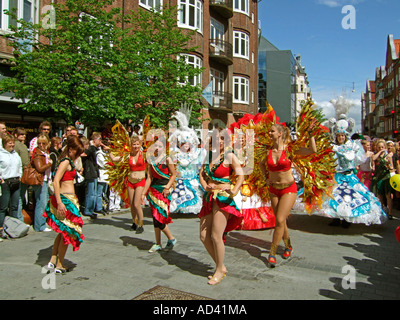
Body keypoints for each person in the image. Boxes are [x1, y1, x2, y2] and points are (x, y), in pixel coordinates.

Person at [260, 123, 317, 267]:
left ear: (280, 133)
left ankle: (272, 252)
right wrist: (266, 177)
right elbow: (261, 164)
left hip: (288, 189)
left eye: (272, 131)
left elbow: (312, 150)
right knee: (281, 221)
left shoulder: (290, 149)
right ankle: (288, 246)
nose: (269, 133)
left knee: (279, 219)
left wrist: (311, 135)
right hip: (273, 189)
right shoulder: (268, 151)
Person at [198, 129, 244, 285]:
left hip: (223, 198)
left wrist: (234, 189)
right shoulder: (209, 155)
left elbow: (241, 174)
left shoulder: (229, 156)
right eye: (217, 139)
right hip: (209, 197)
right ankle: (221, 266)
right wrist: (205, 185)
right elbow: (201, 174)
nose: (220, 142)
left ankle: (218, 270)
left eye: (223, 139)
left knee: (216, 236)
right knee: (204, 236)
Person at [43, 135, 85, 273]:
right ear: (71, 149)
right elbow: (55, 181)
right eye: (77, 152)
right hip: (65, 199)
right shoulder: (65, 161)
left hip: (68, 198)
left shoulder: (66, 161)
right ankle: (59, 264)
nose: (78, 155)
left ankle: (53, 260)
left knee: (63, 232)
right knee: (68, 232)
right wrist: (60, 202)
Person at [142, 138, 177, 253]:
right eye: (156, 146)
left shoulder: (167, 159)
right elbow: (149, 178)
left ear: (165, 147)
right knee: (155, 216)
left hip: (163, 191)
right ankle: (157, 243)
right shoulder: (150, 160)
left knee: (160, 217)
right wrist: (143, 193)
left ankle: (171, 238)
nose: (158, 148)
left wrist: (167, 187)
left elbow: (173, 175)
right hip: (153, 191)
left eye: (160, 146)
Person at [168, 110, 205, 215]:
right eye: (183, 143)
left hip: (192, 179)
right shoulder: (175, 153)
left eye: (187, 143)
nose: (186, 145)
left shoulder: (196, 153)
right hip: (179, 180)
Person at [30, 134, 53, 232]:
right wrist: (49, 164)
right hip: (40, 180)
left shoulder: (44, 152)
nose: (41, 145)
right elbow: (39, 168)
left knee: (44, 202)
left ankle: (42, 223)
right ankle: (40, 225)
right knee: (41, 203)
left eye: (43, 143)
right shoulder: (38, 153)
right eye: (39, 143)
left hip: (45, 179)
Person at [0, 133, 23, 227]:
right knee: (3, 207)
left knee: (14, 206)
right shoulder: (1, 154)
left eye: (13, 143)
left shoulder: (15, 154)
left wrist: (20, 175)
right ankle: (1, 228)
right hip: (5, 182)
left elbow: (20, 166)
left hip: (16, 181)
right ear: (4, 144)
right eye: (10, 143)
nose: (12, 145)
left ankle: (13, 227)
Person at [371, 139, 395, 219]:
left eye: (382, 147)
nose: (381, 148)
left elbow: (392, 167)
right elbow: (373, 159)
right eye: (379, 147)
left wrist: (389, 165)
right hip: (378, 177)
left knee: (388, 195)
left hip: (386, 176)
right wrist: (379, 152)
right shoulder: (375, 155)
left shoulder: (388, 156)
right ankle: (381, 212)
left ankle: (390, 212)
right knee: (380, 195)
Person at [82, 132, 102, 219]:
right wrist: (91, 146)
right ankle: (88, 210)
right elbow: (84, 154)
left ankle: (91, 209)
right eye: (99, 139)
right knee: (90, 193)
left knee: (93, 193)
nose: (101, 141)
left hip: (93, 172)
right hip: (89, 172)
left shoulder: (94, 149)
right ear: (95, 140)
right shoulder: (90, 148)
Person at [13, 127, 30, 220]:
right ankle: (20, 219)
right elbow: (25, 162)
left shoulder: (11, 144)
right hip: (22, 174)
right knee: (20, 197)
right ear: (16, 135)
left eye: (24, 134)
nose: (24, 136)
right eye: (21, 134)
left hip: (13, 174)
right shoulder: (21, 146)